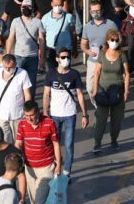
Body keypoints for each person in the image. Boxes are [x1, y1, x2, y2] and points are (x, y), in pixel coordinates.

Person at [43, 48, 88, 177]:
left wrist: (85, 115)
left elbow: (79, 94)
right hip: (54, 115)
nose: (66, 59)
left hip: (70, 114)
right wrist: (45, 112)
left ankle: (67, 171)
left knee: (69, 145)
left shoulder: (74, 74)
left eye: (67, 57)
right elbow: (46, 93)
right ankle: (57, 169)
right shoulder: (51, 74)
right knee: (54, 144)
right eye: (62, 57)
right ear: (57, 59)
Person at [91, 29, 130, 153]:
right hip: (103, 91)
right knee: (101, 119)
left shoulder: (122, 54)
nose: (114, 42)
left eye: (116, 40)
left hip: (118, 91)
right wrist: (95, 90)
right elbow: (97, 72)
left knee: (117, 120)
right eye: (112, 40)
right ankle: (97, 143)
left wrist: (126, 91)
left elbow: (127, 73)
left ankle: (114, 140)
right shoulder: (102, 54)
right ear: (107, 41)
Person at [15, 101, 62, 204]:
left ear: (38, 112)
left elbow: (56, 144)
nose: (29, 119)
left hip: (46, 169)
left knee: (39, 201)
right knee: (33, 201)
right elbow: (18, 143)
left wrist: (58, 164)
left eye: (32, 115)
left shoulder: (49, 123)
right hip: (29, 169)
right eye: (26, 115)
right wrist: (16, 159)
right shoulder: (22, 124)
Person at [80, 1, 118, 106]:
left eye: (98, 11)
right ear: (89, 11)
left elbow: (120, 40)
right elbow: (83, 44)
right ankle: (98, 107)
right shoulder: (87, 27)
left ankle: (104, 109)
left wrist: (109, 46)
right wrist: (87, 51)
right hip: (93, 61)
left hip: (107, 60)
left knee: (106, 87)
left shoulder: (110, 24)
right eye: (93, 11)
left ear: (102, 11)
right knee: (90, 87)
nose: (96, 13)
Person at [0, 54, 33, 143]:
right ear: (2, 64)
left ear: (16, 64)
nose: (8, 69)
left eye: (11, 67)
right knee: (4, 142)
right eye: (6, 67)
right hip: (1, 115)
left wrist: (27, 112)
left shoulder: (22, 74)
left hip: (18, 115)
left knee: (19, 142)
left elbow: (27, 94)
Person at [6, 0, 45, 96]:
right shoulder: (15, 21)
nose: (26, 8)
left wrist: (42, 58)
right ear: (21, 8)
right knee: (17, 84)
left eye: (28, 7)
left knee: (31, 85)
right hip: (18, 56)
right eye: (24, 7)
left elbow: (41, 40)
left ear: (32, 9)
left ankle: (30, 108)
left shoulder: (38, 22)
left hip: (33, 57)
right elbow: (10, 38)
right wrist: (8, 54)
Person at [40, 0, 76, 72]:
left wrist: (74, 48)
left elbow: (73, 33)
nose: (57, 7)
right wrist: (42, 53)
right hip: (51, 50)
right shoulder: (45, 18)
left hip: (65, 50)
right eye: (55, 4)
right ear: (51, 4)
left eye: (59, 5)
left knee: (65, 72)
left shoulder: (69, 17)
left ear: (63, 4)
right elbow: (41, 36)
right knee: (52, 73)